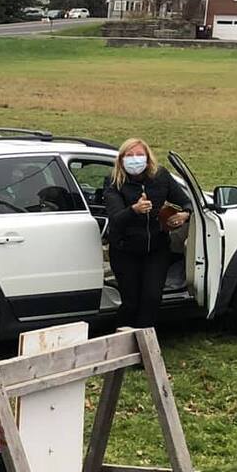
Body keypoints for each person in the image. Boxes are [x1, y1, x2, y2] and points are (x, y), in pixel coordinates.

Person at [99, 137, 190, 329]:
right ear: (121, 159)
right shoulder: (114, 181)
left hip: (156, 249)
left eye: (139, 154)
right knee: (131, 301)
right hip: (125, 250)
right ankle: (123, 339)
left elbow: (185, 200)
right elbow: (116, 218)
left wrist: (185, 214)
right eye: (129, 155)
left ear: (148, 158)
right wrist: (135, 209)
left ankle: (145, 341)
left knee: (152, 298)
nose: (135, 159)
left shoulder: (161, 177)